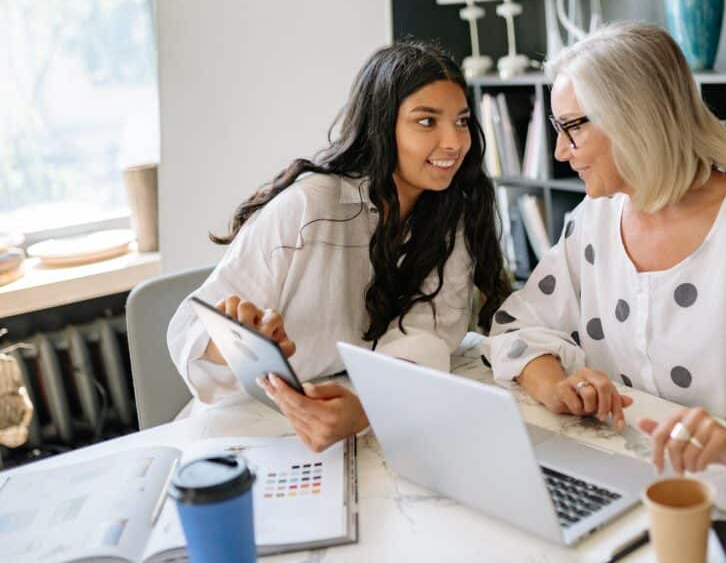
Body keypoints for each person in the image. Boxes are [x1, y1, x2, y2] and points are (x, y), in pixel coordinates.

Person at [484, 22, 726, 475]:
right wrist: (558, 387)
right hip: (630, 472)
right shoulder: (594, 221)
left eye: (572, 128)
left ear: (632, 120)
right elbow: (518, 327)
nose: (560, 152)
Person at [168, 41, 510, 452]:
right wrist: (240, 340)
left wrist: (370, 408)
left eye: (461, 121)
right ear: (382, 126)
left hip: (347, 415)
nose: (454, 141)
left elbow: (427, 335)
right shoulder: (311, 205)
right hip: (246, 432)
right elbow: (188, 330)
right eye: (426, 122)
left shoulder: (450, 214)